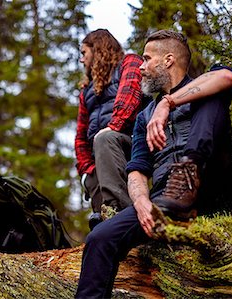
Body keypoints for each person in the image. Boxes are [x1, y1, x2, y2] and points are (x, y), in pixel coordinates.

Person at [75, 30, 232, 298]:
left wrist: (168, 103)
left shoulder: (206, 83)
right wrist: (142, 202)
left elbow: (226, 78)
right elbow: (137, 168)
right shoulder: (145, 115)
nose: (140, 67)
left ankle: (188, 172)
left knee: (211, 95)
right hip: (167, 200)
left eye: (146, 59)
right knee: (99, 238)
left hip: (214, 186)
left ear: (168, 60)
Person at [74, 29, 145, 230]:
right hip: (103, 151)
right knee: (96, 167)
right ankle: (106, 229)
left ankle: (121, 214)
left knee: (104, 140)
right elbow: (80, 134)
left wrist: (110, 129)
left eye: (84, 53)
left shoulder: (129, 63)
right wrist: (86, 169)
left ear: (98, 50)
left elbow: (129, 101)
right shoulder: (86, 90)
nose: (81, 60)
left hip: (132, 143)